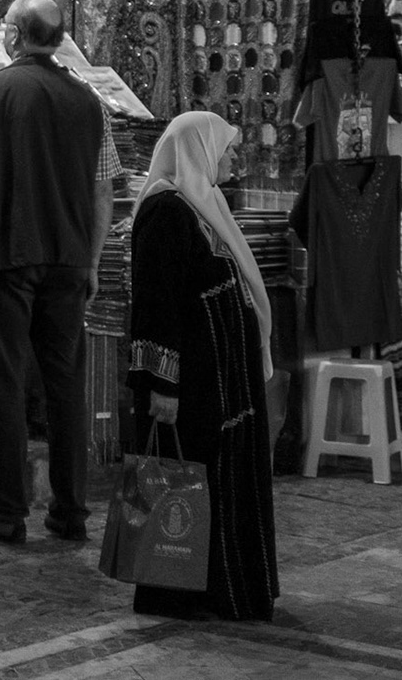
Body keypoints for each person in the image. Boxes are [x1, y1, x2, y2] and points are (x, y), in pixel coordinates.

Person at [0, 0, 116, 545]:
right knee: (66, 386)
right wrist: (92, 260)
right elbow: (103, 189)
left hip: (7, 256)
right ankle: (71, 511)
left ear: (14, 36)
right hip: (69, 259)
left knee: (6, 382)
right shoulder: (89, 101)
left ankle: (8, 510)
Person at [128, 111, 279, 621]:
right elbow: (156, 305)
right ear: (200, 148)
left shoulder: (205, 204)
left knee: (222, 482)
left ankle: (224, 589)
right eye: (227, 147)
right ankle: (178, 592)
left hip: (223, 385)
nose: (233, 156)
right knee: (186, 482)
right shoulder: (165, 212)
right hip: (189, 386)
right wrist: (162, 384)